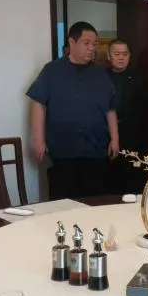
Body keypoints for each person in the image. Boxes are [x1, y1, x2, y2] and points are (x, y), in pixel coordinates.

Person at [27, 21, 119, 200]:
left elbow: (111, 108)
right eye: (86, 43)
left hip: (96, 152)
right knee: (64, 205)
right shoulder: (52, 71)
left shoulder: (100, 74)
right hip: (63, 153)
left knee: (95, 203)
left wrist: (115, 139)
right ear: (72, 42)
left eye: (94, 44)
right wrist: (38, 138)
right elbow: (37, 102)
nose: (91, 48)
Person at [106, 39, 147, 194]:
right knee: (110, 182)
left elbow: (145, 108)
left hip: (133, 137)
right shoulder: (102, 77)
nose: (121, 58)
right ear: (109, 56)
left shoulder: (138, 78)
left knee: (132, 181)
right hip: (106, 136)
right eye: (117, 54)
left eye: (125, 54)